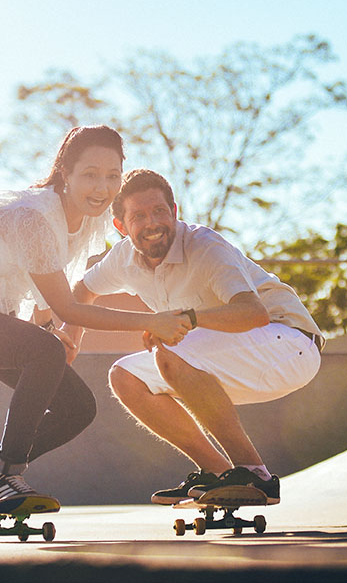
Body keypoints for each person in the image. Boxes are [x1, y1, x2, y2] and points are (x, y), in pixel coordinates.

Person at [0, 127, 193, 511]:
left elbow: (46, 291)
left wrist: (49, 333)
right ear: (65, 172)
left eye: (113, 176)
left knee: (77, 407)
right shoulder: (31, 216)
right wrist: (152, 322)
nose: (102, 187)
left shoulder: (85, 221)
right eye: (90, 174)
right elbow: (68, 307)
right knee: (47, 353)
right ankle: (5, 477)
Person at [73, 168, 325, 505]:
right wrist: (69, 337)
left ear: (174, 212)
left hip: (290, 343)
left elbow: (254, 313)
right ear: (121, 226)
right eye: (139, 216)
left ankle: (256, 475)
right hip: (235, 360)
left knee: (169, 353)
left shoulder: (204, 246)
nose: (152, 224)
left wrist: (184, 320)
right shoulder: (122, 259)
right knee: (125, 376)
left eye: (160, 211)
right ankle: (219, 474)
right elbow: (81, 293)